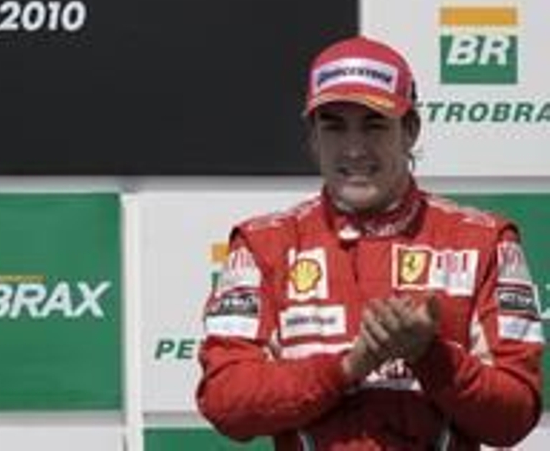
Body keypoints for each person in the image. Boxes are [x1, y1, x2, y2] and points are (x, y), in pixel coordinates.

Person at [197, 35, 543, 449]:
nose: (354, 148)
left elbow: (514, 417)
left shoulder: (483, 241)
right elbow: (227, 402)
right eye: (334, 126)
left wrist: (429, 356)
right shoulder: (263, 245)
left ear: (410, 131)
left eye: (374, 125)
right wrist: (349, 367)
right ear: (313, 137)